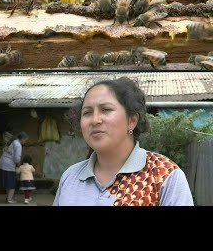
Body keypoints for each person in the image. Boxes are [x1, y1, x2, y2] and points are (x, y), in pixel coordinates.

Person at [53, 77, 194, 206]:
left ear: (132, 121)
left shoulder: (164, 175)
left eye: (106, 109)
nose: (95, 120)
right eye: (87, 112)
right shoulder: (70, 177)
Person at [0, 131, 29, 204]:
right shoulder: (18, 145)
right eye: (26, 140)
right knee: (12, 184)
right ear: (23, 139)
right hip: (9, 166)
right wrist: (20, 167)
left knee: (7, 183)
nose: (26, 142)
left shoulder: (12, 141)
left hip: (2, 163)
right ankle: (9, 199)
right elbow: (17, 159)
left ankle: (9, 197)